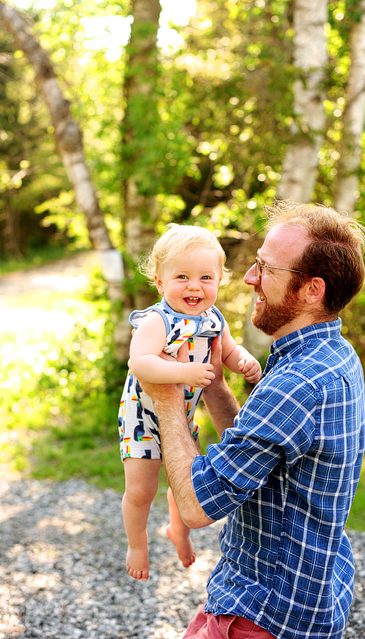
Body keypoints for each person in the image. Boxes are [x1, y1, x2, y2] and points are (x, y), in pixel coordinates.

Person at [138, 202, 365, 639]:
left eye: (266, 268)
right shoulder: (333, 356)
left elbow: (197, 506)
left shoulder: (297, 383)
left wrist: (166, 399)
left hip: (262, 616)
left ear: (311, 290)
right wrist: (214, 387)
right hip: (300, 599)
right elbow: (258, 454)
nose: (248, 279)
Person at [118, 224, 262, 581]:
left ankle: (177, 529)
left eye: (205, 277)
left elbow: (226, 352)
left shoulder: (214, 320)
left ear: (219, 280)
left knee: (186, 481)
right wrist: (183, 374)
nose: (194, 286)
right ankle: (137, 544)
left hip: (180, 416)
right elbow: (140, 362)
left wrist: (243, 361)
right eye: (182, 276)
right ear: (160, 282)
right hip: (142, 418)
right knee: (141, 489)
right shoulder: (157, 320)